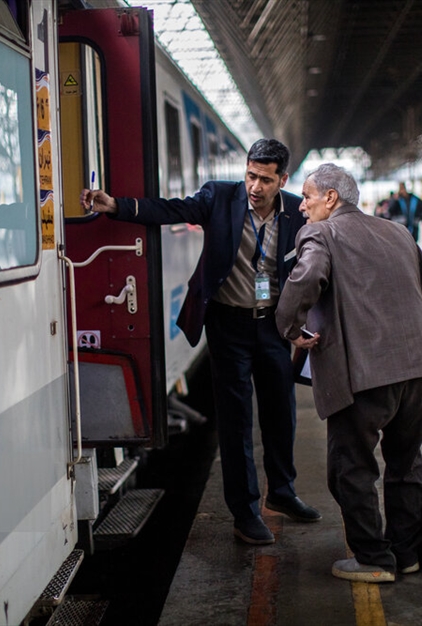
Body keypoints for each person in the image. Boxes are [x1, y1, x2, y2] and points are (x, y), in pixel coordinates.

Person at [81, 138, 321, 545]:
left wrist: (309, 320)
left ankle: (281, 492)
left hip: (273, 327)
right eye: (250, 175)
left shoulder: (297, 215)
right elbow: (172, 209)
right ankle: (244, 511)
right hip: (227, 325)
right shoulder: (219, 197)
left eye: (265, 179)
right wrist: (116, 205)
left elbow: (315, 263)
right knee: (235, 419)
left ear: (282, 179)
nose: (255, 187)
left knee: (282, 414)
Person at [275, 163, 422, 583]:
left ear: (331, 198)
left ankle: (373, 557)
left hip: (365, 375)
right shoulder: (398, 232)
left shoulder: (322, 233)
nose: (303, 207)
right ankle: (406, 553)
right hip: (419, 370)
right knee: (405, 465)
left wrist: (289, 328)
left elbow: (308, 276)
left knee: (350, 467)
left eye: (309, 196)